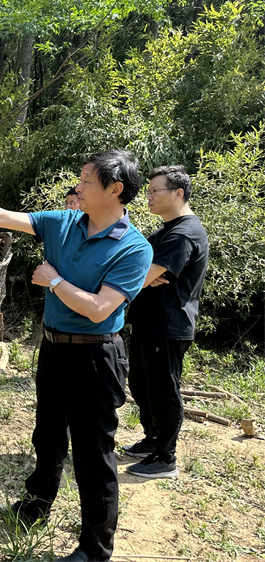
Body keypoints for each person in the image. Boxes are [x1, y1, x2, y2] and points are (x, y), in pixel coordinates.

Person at [0, 150, 152, 562]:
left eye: (87, 181)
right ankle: (34, 508)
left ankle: (95, 548)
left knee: (93, 453)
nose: (78, 188)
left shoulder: (134, 248)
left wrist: (54, 281)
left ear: (115, 190)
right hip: (54, 348)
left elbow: (99, 309)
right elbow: (0, 216)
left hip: (96, 356)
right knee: (48, 435)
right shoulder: (65, 221)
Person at [123, 166, 209, 479]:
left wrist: (143, 276)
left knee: (163, 391)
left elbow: (141, 276)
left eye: (154, 191)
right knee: (141, 385)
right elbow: (138, 268)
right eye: (148, 191)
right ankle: (153, 439)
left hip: (168, 325)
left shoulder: (184, 233)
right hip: (148, 321)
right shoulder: (166, 231)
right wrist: (144, 275)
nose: (148, 197)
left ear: (178, 193)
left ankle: (165, 457)